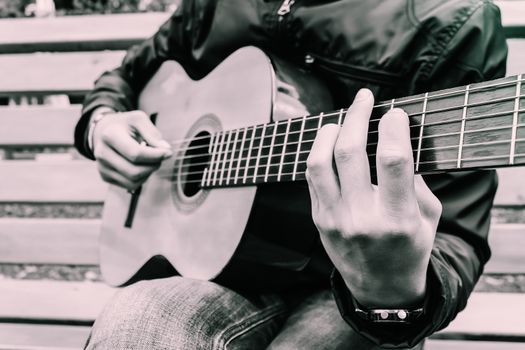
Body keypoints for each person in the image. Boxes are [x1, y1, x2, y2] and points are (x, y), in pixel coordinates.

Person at [74, 0, 508, 348]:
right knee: (136, 325)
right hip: (219, 272)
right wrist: (102, 123)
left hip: (354, 291)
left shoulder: (452, 21)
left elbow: (456, 235)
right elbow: (125, 76)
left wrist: (391, 291)